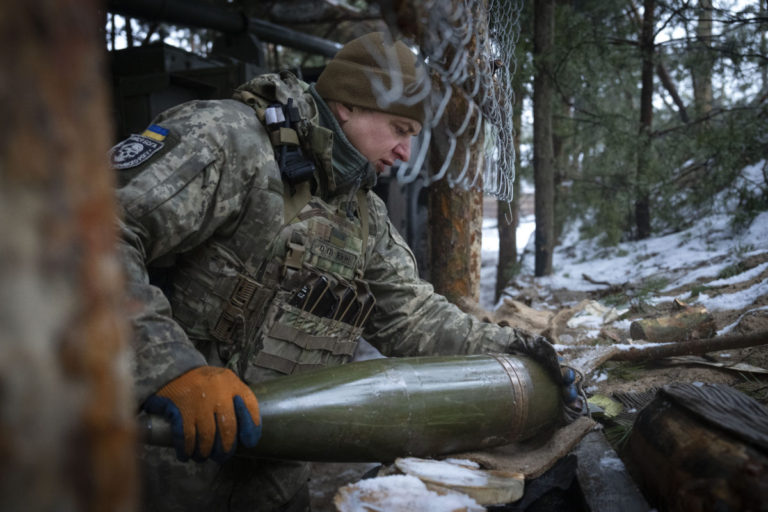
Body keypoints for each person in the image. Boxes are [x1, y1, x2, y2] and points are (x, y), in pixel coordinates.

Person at [113, 31, 578, 512]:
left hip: (275, 473)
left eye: (412, 137)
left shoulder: (363, 216)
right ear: (347, 107)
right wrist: (172, 369)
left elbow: (413, 320)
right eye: (400, 129)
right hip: (161, 462)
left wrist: (518, 352)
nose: (405, 154)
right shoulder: (228, 141)